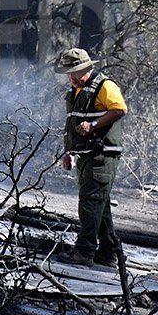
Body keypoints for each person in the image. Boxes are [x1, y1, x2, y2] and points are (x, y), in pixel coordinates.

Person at [54, 47, 127, 267]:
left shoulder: (105, 86)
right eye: (69, 73)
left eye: (74, 72)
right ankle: (108, 253)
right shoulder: (77, 90)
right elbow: (73, 125)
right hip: (85, 156)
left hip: (101, 156)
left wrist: (94, 125)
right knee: (99, 204)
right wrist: (69, 152)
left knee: (89, 204)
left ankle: (84, 252)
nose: (71, 77)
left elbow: (120, 109)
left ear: (86, 67)